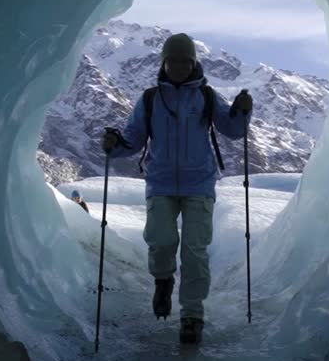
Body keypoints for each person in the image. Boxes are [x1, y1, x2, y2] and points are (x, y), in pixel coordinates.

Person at [100, 32, 253, 344]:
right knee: (161, 239)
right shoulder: (150, 99)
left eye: (185, 60)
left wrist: (242, 111)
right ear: (164, 63)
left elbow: (233, 130)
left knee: (195, 250)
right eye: (174, 60)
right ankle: (163, 280)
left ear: (194, 62)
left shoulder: (208, 97)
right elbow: (134, 138)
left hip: (200, 183)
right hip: (161, 182)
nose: (180, 65)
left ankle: (192, 315)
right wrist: (114, 146)